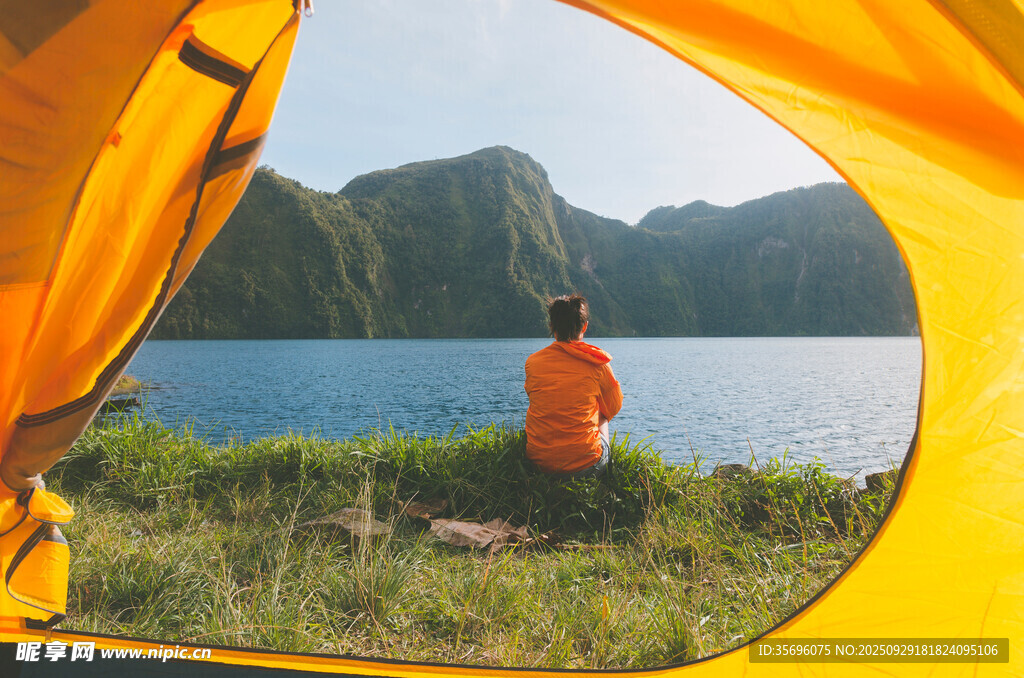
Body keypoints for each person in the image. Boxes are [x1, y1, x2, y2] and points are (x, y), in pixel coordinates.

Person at [524, 294, 623, 478]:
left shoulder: (533, 362)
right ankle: (605, 473)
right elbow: (614, 407)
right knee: (602, 414)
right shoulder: (598, 363)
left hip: (538, 464)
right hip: (585, 467)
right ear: (584, 326)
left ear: (552, 326)